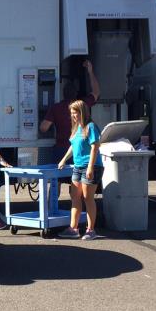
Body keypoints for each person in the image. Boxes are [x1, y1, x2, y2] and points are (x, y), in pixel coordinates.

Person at [56, 99, 103, 240]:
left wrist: (90, 167)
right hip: (77, 167)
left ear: (82, 112)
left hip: (92, 166)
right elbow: (73, 146)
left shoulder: (91, 127)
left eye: (75, 113)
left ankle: (90, 230)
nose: (73, 116)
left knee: (87, 198)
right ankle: (73, 228)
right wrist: (64, 159)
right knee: (75, 197)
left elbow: (95, 147)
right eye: (71, 113)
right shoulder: (76, 128)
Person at [39, 59, 100, 165]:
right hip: (79, 149)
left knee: (58, 178)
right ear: (76, 93)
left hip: (61, 149)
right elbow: (96, 92)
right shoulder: (82, 104)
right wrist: (90, 71)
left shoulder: (56, 108)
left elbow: (43, 128)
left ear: (63, 93)